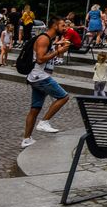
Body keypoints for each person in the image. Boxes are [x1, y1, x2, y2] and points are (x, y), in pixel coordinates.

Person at [21, 15, 73, 148]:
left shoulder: (48, 39)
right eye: (62, 25)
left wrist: (57, 46)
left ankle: (26, 139)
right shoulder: (44, 38)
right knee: (63, 97)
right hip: (40, 76)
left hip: (36, 77)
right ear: (55, 26)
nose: (65, 28)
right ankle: (44, 122)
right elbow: (40, 59)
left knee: (35, 109)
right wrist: (59, 51)